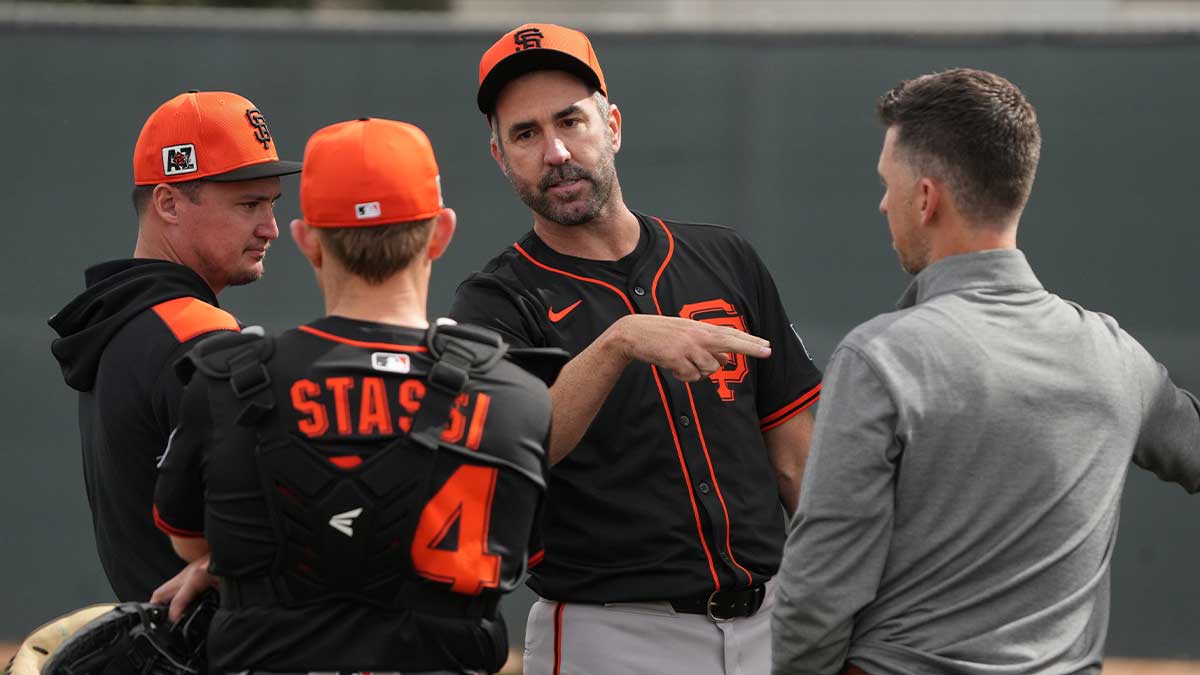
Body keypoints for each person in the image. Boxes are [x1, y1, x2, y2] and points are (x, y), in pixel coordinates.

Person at [770, 68, 1200, 675]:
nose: (883, 203)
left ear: (926, 198)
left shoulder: (880, 357)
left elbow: (820, 588)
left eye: (888, 185)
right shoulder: (1115, 354)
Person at [450, 23, 823, 674]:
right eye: (526, 134)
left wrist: (845, 592)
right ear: (500, 157)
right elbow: (517, 451)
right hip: (612, 633)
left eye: (571, 120)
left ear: (613, 125)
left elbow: (795, 458)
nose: (557, 151)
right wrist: (619, 341)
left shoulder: (724, 257)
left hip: (773, 619)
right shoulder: (495, 301)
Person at [152, 117, 564, 674]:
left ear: (305, 240)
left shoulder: (226, 381)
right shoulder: (518, 397)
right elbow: (517, 557)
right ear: (441, 232)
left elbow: (189, 546)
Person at [48, 91, 300, 602]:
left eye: (272, 204)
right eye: (248, 204)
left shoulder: (121, 322)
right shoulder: (195, 336)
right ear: (167, 203)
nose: (270, 227)